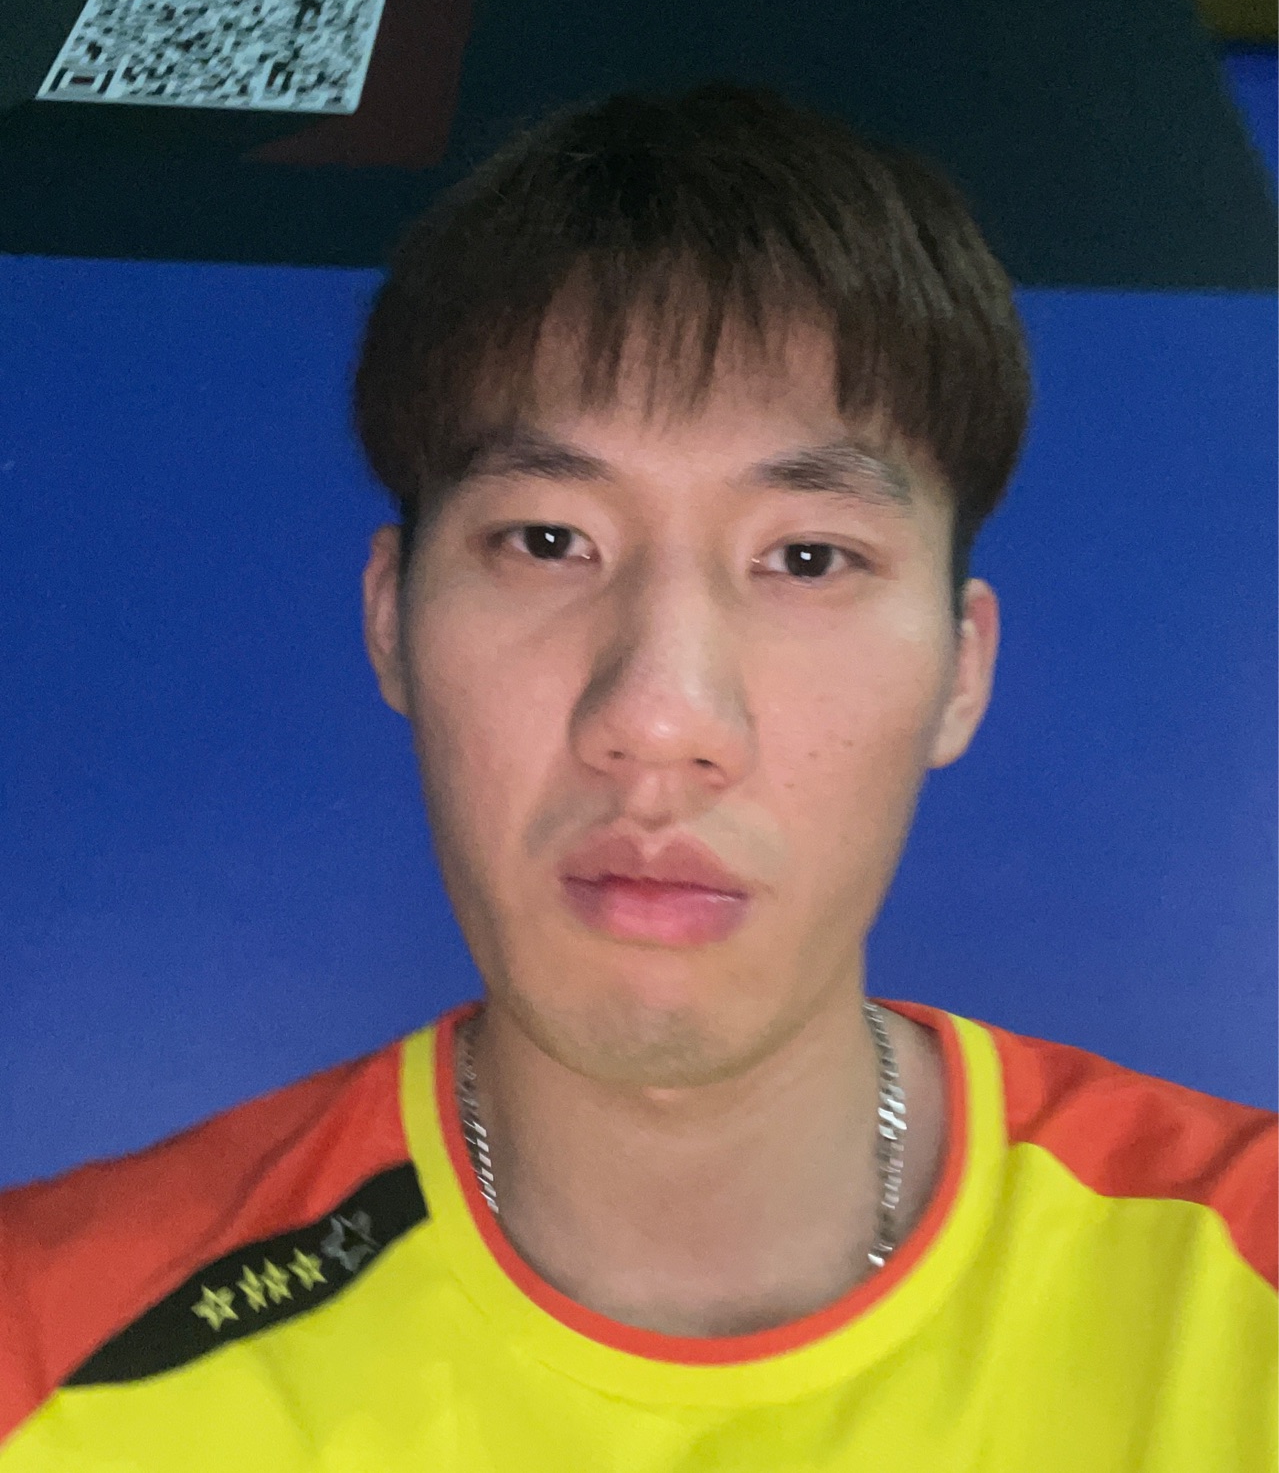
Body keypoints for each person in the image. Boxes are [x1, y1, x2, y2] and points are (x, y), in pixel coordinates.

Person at [0, 85, 1273, 1470]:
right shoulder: (46, 1353)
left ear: (962, 671)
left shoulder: (1242, 1286)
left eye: (807, 557)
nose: (660, 718)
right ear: (390, 624)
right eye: (548, 540)